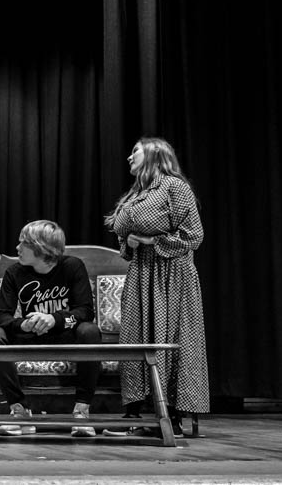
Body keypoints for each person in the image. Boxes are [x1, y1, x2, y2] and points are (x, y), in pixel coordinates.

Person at [102, 137, 207, 438]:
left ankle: (170, 416)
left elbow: (194, 236)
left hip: (171, 273)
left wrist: (151, 240)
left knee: (169, 337)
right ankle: (134, 414)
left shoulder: (175, 187)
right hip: (141, 272)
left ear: (154, 155)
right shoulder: (137, 192)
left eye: (135, 151)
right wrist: (128, 241)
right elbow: (123, 231)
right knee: (134, 337)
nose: (129, 157)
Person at [0, 220, 101, 438]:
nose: (17, 248)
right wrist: (23, 324)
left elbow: (85, 311)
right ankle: (19, 411)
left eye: (23, 243)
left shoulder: (72, 266)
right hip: (29, 336)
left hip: (65, 336)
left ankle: (81, 412)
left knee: (90, 331)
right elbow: (2, 317)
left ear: (41, 247)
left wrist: (54, 319)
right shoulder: (14, 272)